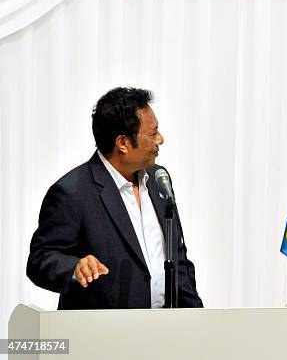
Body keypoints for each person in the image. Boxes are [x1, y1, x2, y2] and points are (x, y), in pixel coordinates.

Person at [27, 87, 203, 309]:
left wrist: (199, 322)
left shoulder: (159, 179)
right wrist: (74, 267)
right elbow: (40, 260)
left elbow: (179, 261)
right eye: (152, 133)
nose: (161, 139)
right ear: (123, 143)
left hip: (162, 333)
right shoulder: (72, 192)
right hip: (101, 336)